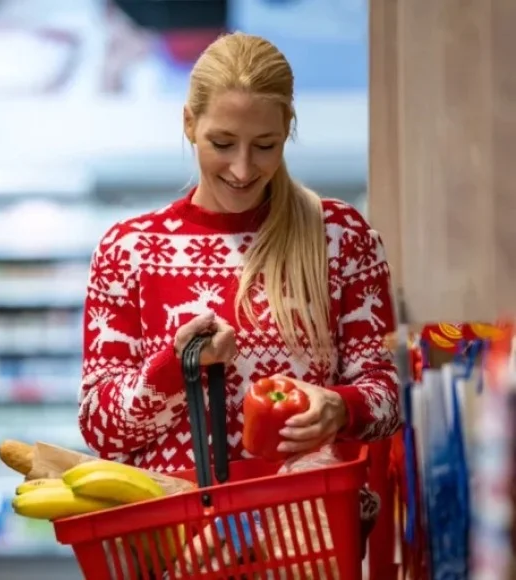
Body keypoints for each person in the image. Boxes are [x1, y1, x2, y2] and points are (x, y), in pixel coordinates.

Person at [78, 33, 400, 482]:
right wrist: (176, 367)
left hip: (306, 529)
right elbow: (100, 427)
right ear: (189, 123)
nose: (243, 169)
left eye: (265, 145)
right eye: (223, 143)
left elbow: (390, 396)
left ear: (287, 127)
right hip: (174, 537)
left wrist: (342, 408)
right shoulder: (128, 251)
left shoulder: (340, 237)